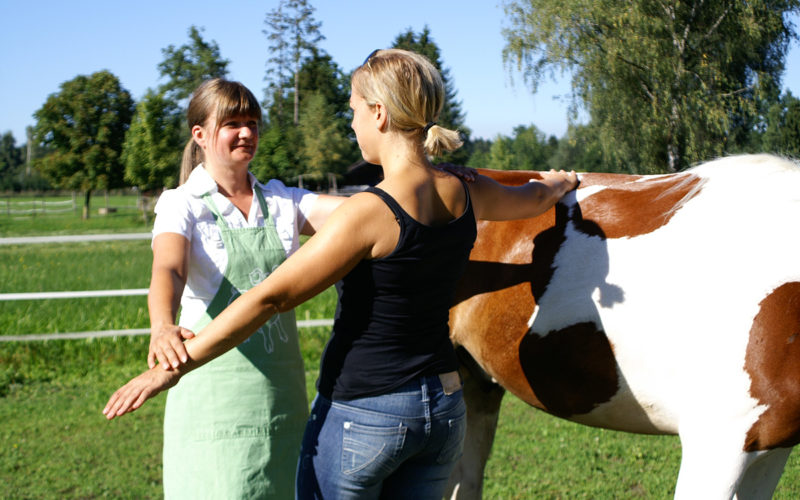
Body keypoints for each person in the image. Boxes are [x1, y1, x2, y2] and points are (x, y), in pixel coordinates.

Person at [104, 49, 577, 499]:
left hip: (368, 410)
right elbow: (532, 198)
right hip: (444, 405)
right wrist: (562, 182)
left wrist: (174, 367)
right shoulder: (464, 189)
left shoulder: (368, 212)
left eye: (353, 111)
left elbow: (271, 298)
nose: (350, 123)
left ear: (380, 114)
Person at [140, 78, 343, 499]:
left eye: (252, 122)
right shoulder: (183, 204)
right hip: (213, 407)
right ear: (200, 135)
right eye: (232, 123)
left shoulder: (284, 203)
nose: (247, 132)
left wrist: (414, 181)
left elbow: (361, 215)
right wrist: (162, 325)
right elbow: (169, 269)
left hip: (281, 401)